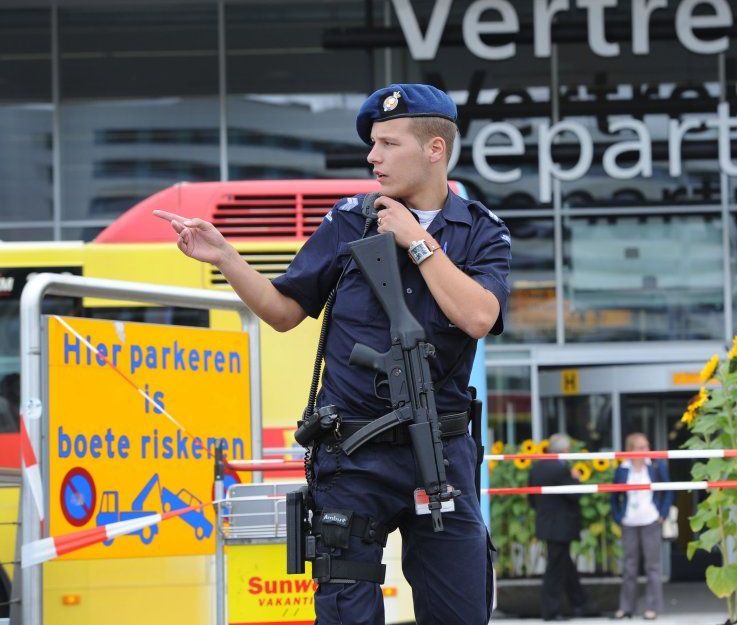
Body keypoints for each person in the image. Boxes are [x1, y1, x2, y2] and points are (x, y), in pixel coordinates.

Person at [154, 83, 511, 625]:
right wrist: (225, 256)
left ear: (434, 149)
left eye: (389, 143)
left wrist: (417, 241)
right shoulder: (348, 220)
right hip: (352, 455)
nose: (373, 156)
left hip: (439, 456)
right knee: (345, 613)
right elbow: (282, 312)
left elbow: (479, 317)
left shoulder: (481, 231)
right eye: (373, 143)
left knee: (461, 611)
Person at [609, 432, 673, 620]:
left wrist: (662, 514)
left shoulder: (655, 465)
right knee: (629, 566)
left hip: (650, 520)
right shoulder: (622, 469)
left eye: (647, 446)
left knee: (652, 566)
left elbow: (668, 490)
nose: (646, 450)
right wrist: (618, 516)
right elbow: (613, 496)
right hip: (629, 521)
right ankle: (626, 607)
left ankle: (652, 608)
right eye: (641, 447)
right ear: (630, 450)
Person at [528, 433, 589, 621]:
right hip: (561, 526)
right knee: (555, 569)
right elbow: (574, 495)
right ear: (564, 451)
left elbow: (531, 499)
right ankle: (550, 611)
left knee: (565, 565)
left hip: (546, 523)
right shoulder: (561, 469)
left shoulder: (536, 467)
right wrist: (576, 478)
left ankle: (580, 604)